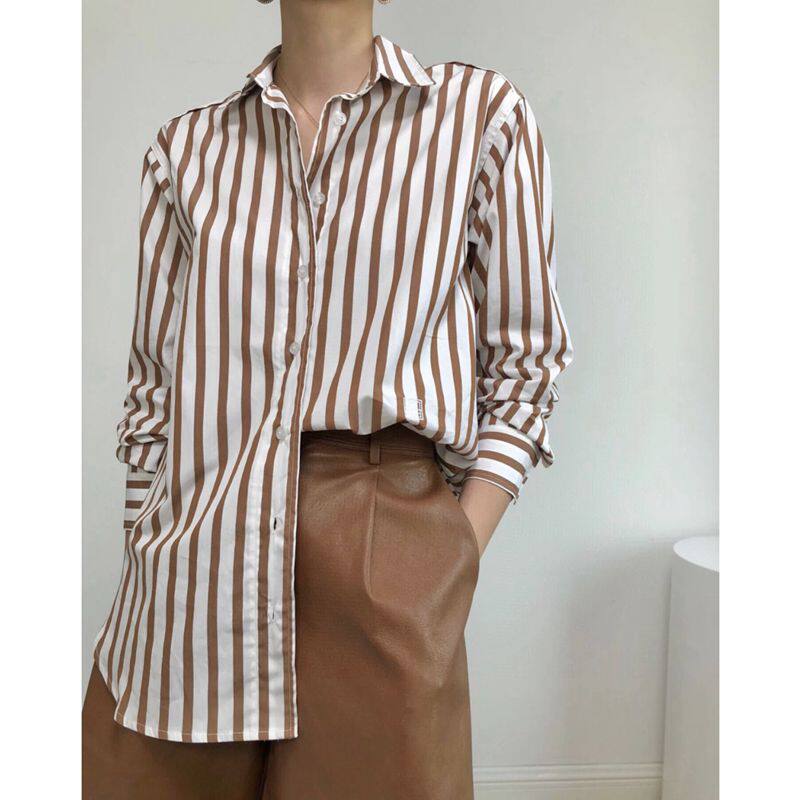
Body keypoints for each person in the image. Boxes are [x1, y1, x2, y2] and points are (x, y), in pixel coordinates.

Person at [82, 0, 573, 797]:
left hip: (384, 544)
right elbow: (153, 397)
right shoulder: (187, 151)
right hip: (194, 562)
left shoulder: (478, 119)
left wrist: (452, 554)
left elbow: (526, 363)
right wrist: (146, 545)